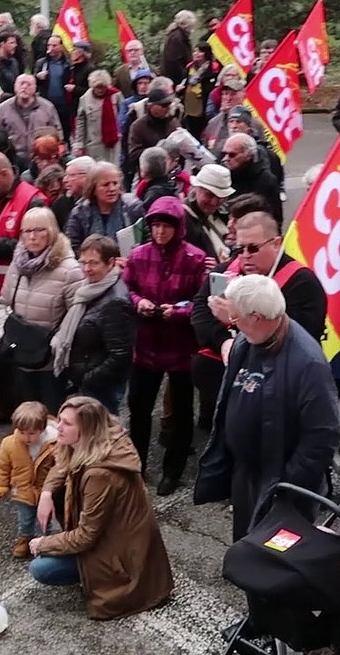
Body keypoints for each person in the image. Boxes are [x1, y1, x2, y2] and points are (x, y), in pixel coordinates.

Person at [195, 274, 340, 541]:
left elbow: (324, 435)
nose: (233, 325)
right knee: (245, 545)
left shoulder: (308, 363)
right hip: (247, 473)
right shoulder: (248, 339)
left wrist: (286, 484)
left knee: (275, 558)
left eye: (236, 318)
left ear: (257, 317)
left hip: (281, 485)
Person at [30, 396, 174, 620]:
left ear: (86, 429)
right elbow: (62, 462)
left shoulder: (100, 475)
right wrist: (47, 493)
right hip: (118, 535)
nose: (58, 427)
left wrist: (44, 543)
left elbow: (87, 537)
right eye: (59, 420)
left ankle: (108, 582)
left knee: (41, 568)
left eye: (67, 423)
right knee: (58, 496)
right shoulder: (100, 439)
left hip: (120, 551)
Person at [123, 196, 208, 492]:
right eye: (155, 226)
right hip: (145, 344)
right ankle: (136, 465)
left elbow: (202, 300)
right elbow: (128, 288)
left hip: (180, 345)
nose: (160, 232)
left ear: (178, 228)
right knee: (139, 408)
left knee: (182, 412)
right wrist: (139, 302)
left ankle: (174, 469)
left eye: (165, 227)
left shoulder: (195, 258)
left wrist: (179, 312)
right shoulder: (138, 255)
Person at [0, 151, 48, 425]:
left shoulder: (33, 200)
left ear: (6, 174)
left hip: (21, 291)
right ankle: (4, 405)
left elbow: (39, 245)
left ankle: (27, 413)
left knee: (21, 354)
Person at [0, 207, 84, 414]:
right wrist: (2, 334)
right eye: (27, 231)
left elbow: (77, 314)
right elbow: (4, 303)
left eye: (39, 230)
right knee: (27, 418)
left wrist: (58, 345)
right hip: (20, 354)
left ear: (52, 231)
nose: (32, 236)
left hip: (50, 362)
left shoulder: (69, 269)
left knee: (52, 419)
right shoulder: (17, 264)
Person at [56, 234, 133, 414]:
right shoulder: (88, 289)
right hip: (89, 380)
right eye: (83, 262)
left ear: (111, 263)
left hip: (101, 388)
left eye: (94, 263)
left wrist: (86, 379)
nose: (86, 269)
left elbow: (120, 356)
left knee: (98, 437)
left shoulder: (116, 302)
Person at [0, 401, 59, 559]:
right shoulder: (9, 444)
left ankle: (44, 542)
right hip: (21, 491)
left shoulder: (54, 445)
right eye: (21, 432)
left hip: (45, 492)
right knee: (25, 518)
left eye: (31, 433)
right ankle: (25, 538)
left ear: (42, 430)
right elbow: (3, 466)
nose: (26, 437)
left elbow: (60, 468)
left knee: (44, 520)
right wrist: (0, 486)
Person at [63, 161, 144, 253]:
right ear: (93, 189)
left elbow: (145, 241)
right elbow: (72, 246)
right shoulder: (79, 213)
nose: (112, 189)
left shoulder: (133, 208)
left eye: (115, 183)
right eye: (106, 185)